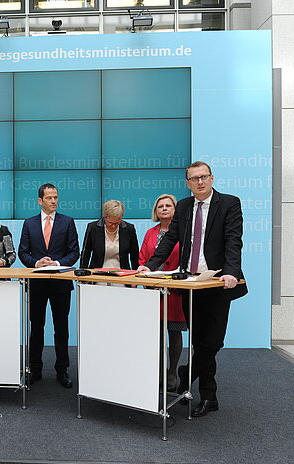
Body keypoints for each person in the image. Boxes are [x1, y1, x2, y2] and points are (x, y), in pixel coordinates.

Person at [137, 161, 248, 417]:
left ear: (212, 178)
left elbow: (234, 239)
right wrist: (151, 266)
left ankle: (187, 376)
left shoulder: (230, 203)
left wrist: (231, 271)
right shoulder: (185, 207)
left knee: (212, 342)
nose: (200, 182)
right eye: (194, 178)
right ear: (187, 183)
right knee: (199, 341)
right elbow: (170, 240)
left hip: (217, 281)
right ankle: (209, 396)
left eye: (204, 177)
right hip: (190, 283)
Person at [18, 184, 80, 388]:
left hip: (60, 284)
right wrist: (37, 263)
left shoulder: (67, 222)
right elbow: (23, 252)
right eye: (49, 198)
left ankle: (62, 370)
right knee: (36, 328)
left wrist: (57, 264)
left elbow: (74, 252)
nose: (54, 201)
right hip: (36, 284)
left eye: (56, 197)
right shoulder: (29, 223)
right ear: (40, 201)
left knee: (61, 329)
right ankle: (34, 370)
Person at [138, 194, 186, 392]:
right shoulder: (150, 233)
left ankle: (172, 372)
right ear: (156, 212)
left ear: (175, 210)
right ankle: (157, 372)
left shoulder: (184, 232)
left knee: (173, 332)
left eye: (168, 206)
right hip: (153, 293)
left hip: (175, 291)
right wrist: (148, 280)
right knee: (155, 334)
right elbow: (142, 259)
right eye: (160, 206)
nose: (164, 209)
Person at [79, 199, 139, 270]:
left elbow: (134, 255)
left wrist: (135, 276)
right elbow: (86, 253)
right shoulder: (93, 228)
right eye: (110, 223)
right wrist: (82, 273)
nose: (113, 226)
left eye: (117, 223)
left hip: (123, 275)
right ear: (105, 217)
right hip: (97, 274)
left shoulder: (129, 229)